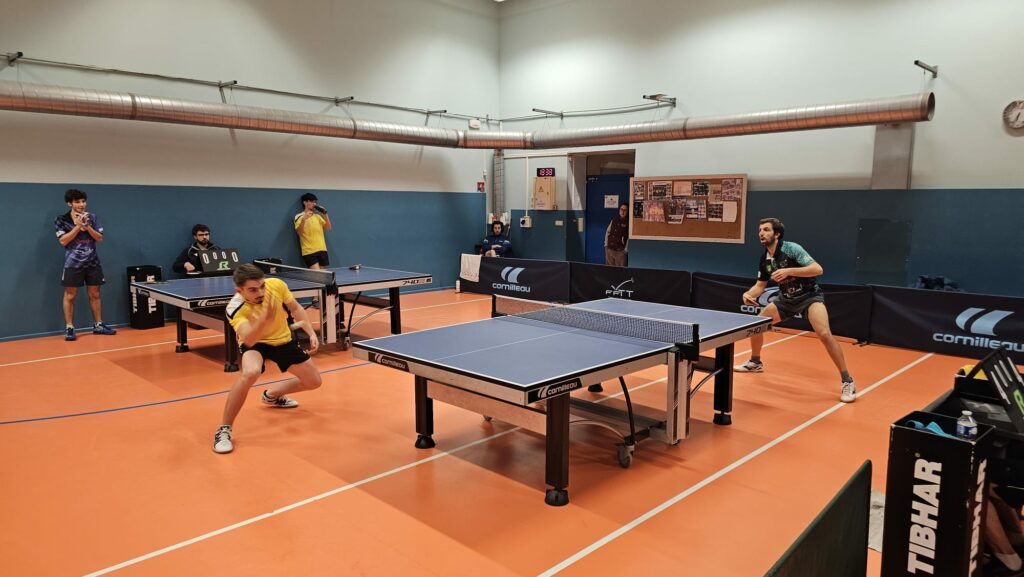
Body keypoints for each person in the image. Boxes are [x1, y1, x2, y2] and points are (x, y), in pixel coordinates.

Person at [735, 218, 856, 403]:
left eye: (766, 230)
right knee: (756, 325)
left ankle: (847, 380)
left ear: (777, 234)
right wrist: (748, 294)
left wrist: (789, 271)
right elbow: (760, 286)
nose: (761, 233)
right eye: (759, 230)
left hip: (809, 297)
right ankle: (755, 362)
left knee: (824, 334)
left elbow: (817, 269)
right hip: (785, 300)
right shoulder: (765, 259)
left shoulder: (792, 249)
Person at [213, 264, 322, 454]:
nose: (261, 292)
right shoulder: (234, 308)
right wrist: (264, 319)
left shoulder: (276, 285)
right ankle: (224, 429)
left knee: (314, 382)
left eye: (262, 286)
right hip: (255, 342)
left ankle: (271, 396)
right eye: (253, 290)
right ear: (240, 290)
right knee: (250, 373)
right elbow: (249, 339)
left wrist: (311, 332)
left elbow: (296, 308)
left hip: (282, 339)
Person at [54, 188, 116, 341]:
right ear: (69, 203)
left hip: (92, 263)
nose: (81, 204)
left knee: (95, 294)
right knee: (70, 295)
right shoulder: (61, 219)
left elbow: (99, 238)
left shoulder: (92, 217)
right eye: (77, 202)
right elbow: (63, 241)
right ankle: (69, 328)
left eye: (83, 201)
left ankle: (98, 325)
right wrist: (77, 226)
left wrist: (87, 226)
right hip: (72, 264)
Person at [294, 192, 332, 270]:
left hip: (322, 249)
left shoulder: (318, 216)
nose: (314, 204)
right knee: (317, 275)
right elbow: (299, 232)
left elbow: (328, 227)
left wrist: (325, 214)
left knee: (323, 275)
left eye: (315, 202)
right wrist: (304, 219)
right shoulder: (299, 216)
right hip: (309, 251)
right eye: (312, 201)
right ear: (305, 202)